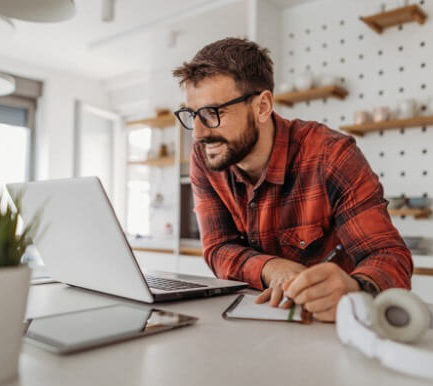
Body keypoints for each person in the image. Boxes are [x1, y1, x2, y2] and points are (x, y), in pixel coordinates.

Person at [172, 37, 412, 322]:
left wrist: (357, 287)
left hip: (333, 325)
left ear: (262, 107)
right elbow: (217, 248)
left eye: (213, 113)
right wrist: (271, 267)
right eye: (192, 114)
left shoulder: (331, 156)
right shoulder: (207, 156)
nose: (198, 133)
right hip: (255, 321)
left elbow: (389, 255)